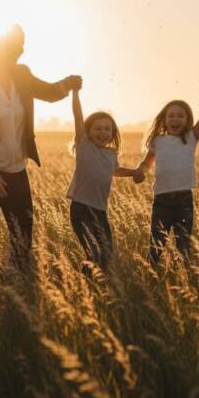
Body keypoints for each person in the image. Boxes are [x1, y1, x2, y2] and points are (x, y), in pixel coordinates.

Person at [0, 24, 82, 293]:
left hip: (17, 172)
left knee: (23, 241)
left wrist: (68, 84)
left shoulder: (22, 75)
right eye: (14, 46)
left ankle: (21, 297)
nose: (19, 51)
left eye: (21, 46)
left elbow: (48, 92)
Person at [134, 88, 199, 263]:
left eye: (180, 116)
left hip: (183, 201)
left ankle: (183, 281)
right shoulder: (158, 141)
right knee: (156, 246)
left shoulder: (191, 137)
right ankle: (152, 279)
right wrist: (140, 171)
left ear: (187, 120)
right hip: (161, 201)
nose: (175, 119)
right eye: (171, 115)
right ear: (164, 120)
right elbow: (146, 163)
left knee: (183, 248)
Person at [66, 88, 141, 271]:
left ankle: (101, 288)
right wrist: (75, 93)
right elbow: (77, 116)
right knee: (93, 253)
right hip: (81, 208)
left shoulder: (111, 153)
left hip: (100, 211)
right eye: (97, 128)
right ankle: (86, 287)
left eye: (107, 129)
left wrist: (134, 172)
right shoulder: (84, 145)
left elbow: (115, 170)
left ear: (113, 132)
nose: (103, 132)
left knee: (107, 254)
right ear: (88, 130)